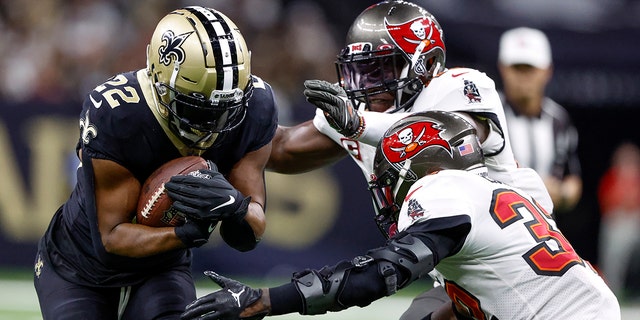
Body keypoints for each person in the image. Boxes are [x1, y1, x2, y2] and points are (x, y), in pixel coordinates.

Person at [182, 111, 620, 320]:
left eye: (390, 175)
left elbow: (381, 274)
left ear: (415, 169)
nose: (386, 188)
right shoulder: (499, 188)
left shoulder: (440, 190)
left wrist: (264, 301)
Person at [268, 1, 553, 319]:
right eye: (361, 68)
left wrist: (358, 125)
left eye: (383, 68)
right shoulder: (358, 107)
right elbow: (281, 149)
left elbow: (439, 131)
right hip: (459, 276)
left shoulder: (461, 87)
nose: (368, 81)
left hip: (521, 266)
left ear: (427, 64)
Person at [33, 6, 278, 319]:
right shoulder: (118, 114)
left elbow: (249, 234)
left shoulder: (255, 104)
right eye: (198, 109)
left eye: (224, 110)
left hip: (161, 268)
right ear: (160, 81)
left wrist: (236, 208)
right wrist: (186, 235)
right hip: (78, 267)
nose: (212, 125)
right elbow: (111, 239)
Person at [497, 26, 582, 214]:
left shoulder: (559, 120)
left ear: (547, 71)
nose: (523, 77)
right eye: (517, 68)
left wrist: (562, 194)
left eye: (530, 68)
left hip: (544, 230)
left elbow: (572, 178)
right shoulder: (488, 114)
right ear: (502, 68)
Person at [598, 142, 640, 297]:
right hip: (618, 224)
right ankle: (613, 291)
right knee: (615, 244)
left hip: (636, 223)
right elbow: (608, 204)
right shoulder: (611, 178)